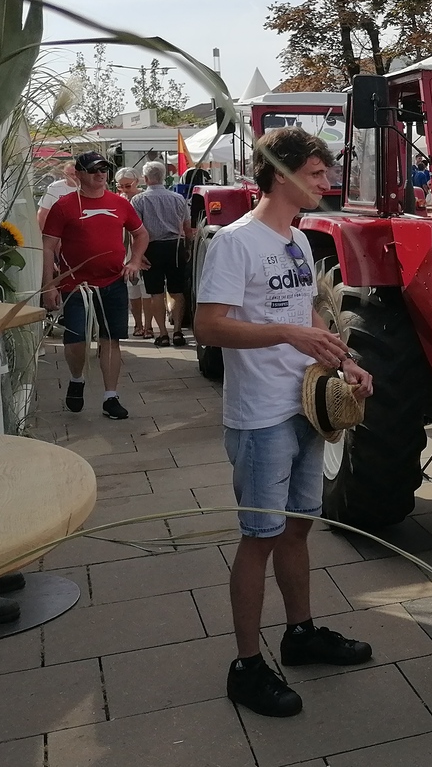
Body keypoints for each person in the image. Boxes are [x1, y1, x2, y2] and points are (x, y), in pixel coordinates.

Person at [194, 128, 375, 718]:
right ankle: (246, 666)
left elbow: (311, 313)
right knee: (259, 538)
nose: (327, 182)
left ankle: (300, 633)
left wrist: (346, 361)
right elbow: (208, 327)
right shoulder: (235, 242)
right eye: (317, 173)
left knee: (297, 530)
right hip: (260, 416)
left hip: (305, 409)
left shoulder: (296, 239)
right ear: (281, 173)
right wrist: (287, 334)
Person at [41, 152, 149, 421]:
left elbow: (140, 233)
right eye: (93, 170)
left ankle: (110, 396)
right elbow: (48, 246)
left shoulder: (120, 203)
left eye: (104, 169)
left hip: (113, 281)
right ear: (78, 174)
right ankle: (77, 379)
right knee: (76, 340)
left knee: (111, 340)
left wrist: (135, 260)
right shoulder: (64, 206)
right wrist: (49, 286)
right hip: (76, 286)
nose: (100, 174)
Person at [135, 160, 195, 347]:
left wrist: (138, 255)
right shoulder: (178, 198)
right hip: (175, 246)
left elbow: (135, 231)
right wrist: (187, 248)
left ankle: (162, 333)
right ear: (163, 177)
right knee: (177, 291)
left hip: (151, 247)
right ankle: (177, 331)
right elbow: (187, 227)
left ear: (146, 179)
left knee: (156, 293)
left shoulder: (139, 200)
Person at [115, 167, 151, 339]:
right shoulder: (118, 200)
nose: (124, 189)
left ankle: (148, 325)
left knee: (146, 290)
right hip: (125, 249)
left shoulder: (143, 198)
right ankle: (138, 323)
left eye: (127, 185)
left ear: (137, 182)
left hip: (142, 248)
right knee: (132, 289)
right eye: (120, 186)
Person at [37, 159, 79, 228]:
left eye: (77, 174)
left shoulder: (88, 188)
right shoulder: (53, 188)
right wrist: (44, 231)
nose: (74, 177)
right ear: (64, 174)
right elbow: (42, 213)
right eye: (71, 174)